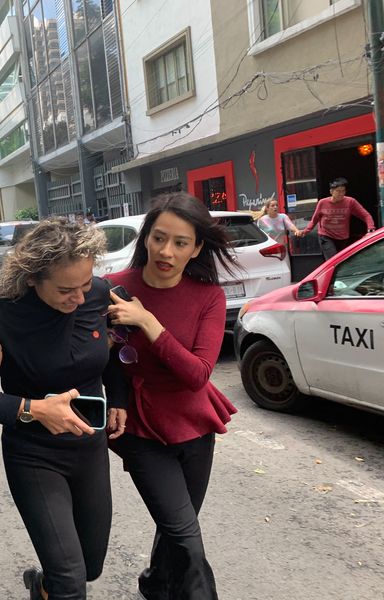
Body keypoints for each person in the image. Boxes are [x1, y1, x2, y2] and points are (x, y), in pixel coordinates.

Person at [0, 219, 129, 600]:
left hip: (89, 448)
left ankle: (42, 586)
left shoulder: (98, 293)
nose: (79, 298)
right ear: (31, 278)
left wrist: (119, 397)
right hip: (35, 456)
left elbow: (112, 347)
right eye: (65, 290)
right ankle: (57, 585)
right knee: (72, 579)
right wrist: (33, 409)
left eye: (84, 285)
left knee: (89, 566)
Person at [103, 193, 238, 600]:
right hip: (139, 428)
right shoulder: (112, 289)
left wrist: (147, 321)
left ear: (197, 247)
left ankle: (157, 583)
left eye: (181, 242)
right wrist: (118, 395)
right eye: (159, 238)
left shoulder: (208, 296)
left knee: (178, 524)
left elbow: (197, 374)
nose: (166, 251)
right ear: (146, 238)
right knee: (186, 536)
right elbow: (102, 358)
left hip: (194, 426)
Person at [299, 177, 376, 259]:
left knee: (341, 261)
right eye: (338, 191)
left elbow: (366, 215)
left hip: (342, 237)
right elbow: (315, 219)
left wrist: (370, 230)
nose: (341, 194)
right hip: (326, 236)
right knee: (333, 260)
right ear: (331, 192)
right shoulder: (322, 202)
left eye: (343, 191)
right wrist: (305, 231)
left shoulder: (350, 202)